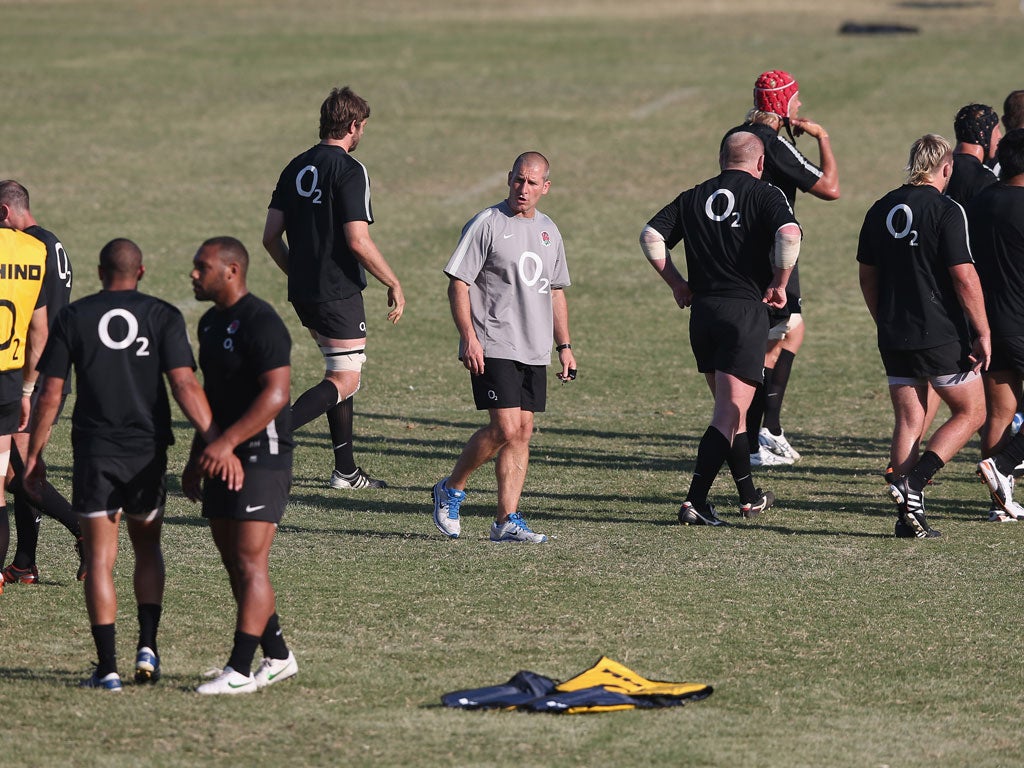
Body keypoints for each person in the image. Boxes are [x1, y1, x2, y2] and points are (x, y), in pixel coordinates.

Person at [23, 238, 233, 690]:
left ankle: (108, 669)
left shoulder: (73, 316)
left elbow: (52, 394)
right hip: (147, 452)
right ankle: (149, 648)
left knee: (100, 559)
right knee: (147, 548)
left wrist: (36, 453)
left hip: (95, 451)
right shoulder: (163, 315)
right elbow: (184, 385)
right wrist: (216, 439)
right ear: (140, 273)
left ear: (100, 272)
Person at [640, 131, 801, 525]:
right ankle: (695, 501)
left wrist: (677, 283)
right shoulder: (767, 194)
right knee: (729, 413)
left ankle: (749, 496)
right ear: (760, 163)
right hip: (743, 314)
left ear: (721, 159)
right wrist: (780, 284)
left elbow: (651, 235)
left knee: (734, 411)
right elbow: (789, 234)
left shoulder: (694, 195)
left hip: (704, 314)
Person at [263, 86, 405, 491]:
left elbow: (271, 236)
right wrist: (392, 281)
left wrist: (297, 273)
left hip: (304, 290)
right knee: (348, 379)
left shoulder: (295, 165)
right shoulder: (349, 170)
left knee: (340, 368)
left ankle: (345, 470)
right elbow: (358, 241)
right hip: (337, 291)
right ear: (354, 126)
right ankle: (270, 438)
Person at [431, 152, 576, 543]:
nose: (523, 189)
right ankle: (451, 488)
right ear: (508, 178)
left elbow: (555, 291)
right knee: (505, 427)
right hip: (494, 341)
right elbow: (458, 282)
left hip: (535, 346)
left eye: (532, 183)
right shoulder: (487, 223)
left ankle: (505, 521)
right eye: (518, 180)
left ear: (546, 187)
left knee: (523, 432)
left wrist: (564, 345)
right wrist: (469, 336)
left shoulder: (549, 230)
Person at [857, 135, 990, 539]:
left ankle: (906, 520)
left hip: (894, 332)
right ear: (945, 168)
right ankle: (913, 483)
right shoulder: (947, 210)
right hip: (940, 333)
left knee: (909, 421)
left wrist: (885, 318)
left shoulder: (880, 207)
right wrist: (982, 332)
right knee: (973, 413)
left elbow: (867, 275)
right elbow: (964, 277)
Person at [183, 237, 298, 695]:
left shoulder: (261, 321)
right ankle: (279, 656)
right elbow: (210, 399)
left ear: (231, 270)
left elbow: (277, 394)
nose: (194, 274)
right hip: (223, 455)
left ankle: (239, 669)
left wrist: (227, 443)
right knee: (234, 563)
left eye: (201, 266)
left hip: (262, 456)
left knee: (251, 563)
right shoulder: (210, 324)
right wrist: (198, 457)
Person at [723, 70, 839, 468]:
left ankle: (767, 429)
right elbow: (830, 188)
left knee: (791, 329)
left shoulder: (735, 136)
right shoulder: (774, 145)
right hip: (774, 254)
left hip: (741, 247)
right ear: (781, 105)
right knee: (768, 342)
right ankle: (753, 440)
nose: (800, 106)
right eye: (795, 100)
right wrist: (822, 137)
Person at [0, 180, 84, 586]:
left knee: (20, 475)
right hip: (48, 372)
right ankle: (24, 563)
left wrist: (29, 388)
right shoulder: (51, 244)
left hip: (36, 375)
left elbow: (40, 326)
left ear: (5, 212)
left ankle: (83, 531)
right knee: (21, 470)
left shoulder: (32, 250)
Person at [969, 129, 1024, 521]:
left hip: (989, 324)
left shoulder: (980, 200)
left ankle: (1000, 505)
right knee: (1002, 415)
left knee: (1000, 413)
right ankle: (1002, 466)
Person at [0, 219, 48, 596]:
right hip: (11, 382)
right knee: (3, 482)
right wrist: (28, 389)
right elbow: (39, 332)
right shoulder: (34, 251)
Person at [946, 104, 1000, 206]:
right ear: (983, 134)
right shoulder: (983, 177)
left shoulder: (938, 166)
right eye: (997, 129)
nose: (1000, 136)